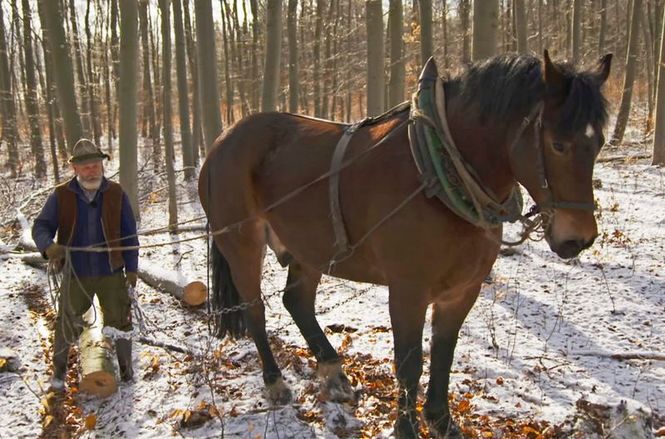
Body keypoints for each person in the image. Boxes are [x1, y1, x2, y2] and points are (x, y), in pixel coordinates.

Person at [32, 139, 139, 390]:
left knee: (121, 321)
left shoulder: (116, 193)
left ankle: (126, 371)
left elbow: (130, 235)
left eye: (95, 165)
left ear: (102, 165)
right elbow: (41, 226)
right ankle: (58, 374)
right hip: (75, 272)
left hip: (111, 271)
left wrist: (132, 269)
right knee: (66, 321)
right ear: (75, 169)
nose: (92, 171)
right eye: (86, 167)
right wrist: (48, 247)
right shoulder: (61, 195)